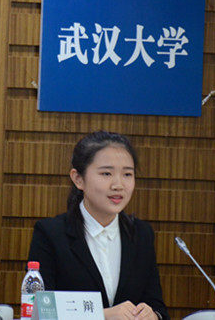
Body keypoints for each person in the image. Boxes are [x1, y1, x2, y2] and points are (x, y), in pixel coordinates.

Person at [28, 131, 169, 320]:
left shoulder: (141, 234)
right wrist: (104, 315)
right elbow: (42, 312)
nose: (118, 185)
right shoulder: (50, 234)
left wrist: (153, 315)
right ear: (78, 179)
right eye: (106, 174)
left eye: (127, 174)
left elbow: (158, 307)